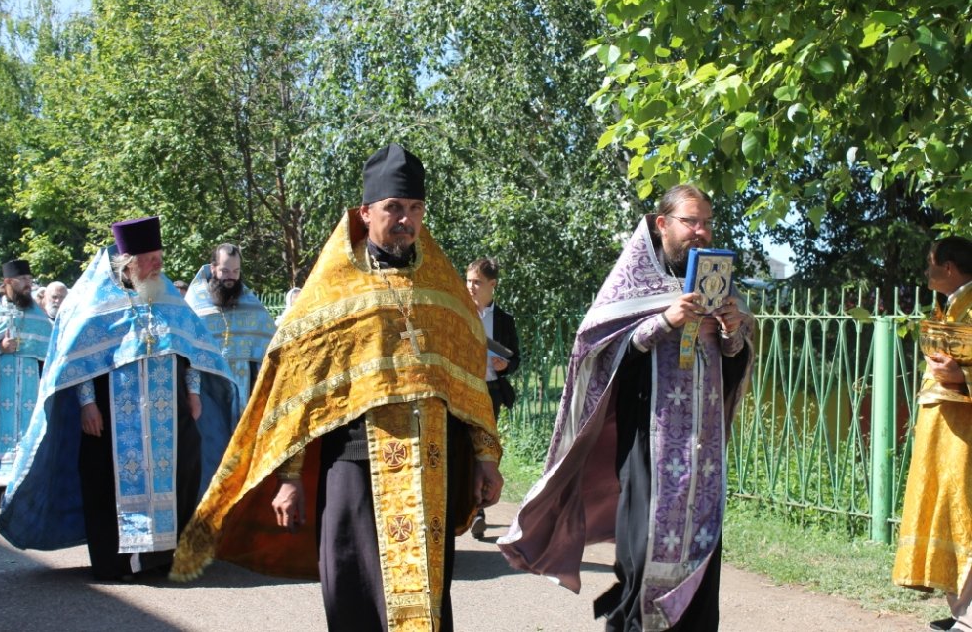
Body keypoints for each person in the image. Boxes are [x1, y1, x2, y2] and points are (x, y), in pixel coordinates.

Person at [170, 143, 503, 632]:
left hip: (432, 465)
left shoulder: (444, 290)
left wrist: (486, 457)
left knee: (428, 598)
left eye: (415, 209)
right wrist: (289, 477)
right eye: (394, 208)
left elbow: (469, 380)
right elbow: (296, 385)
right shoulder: (333, 289)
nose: (406, 220)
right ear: (365, 213)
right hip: (354, 467)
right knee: (355, 592)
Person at [498, 184, 755, 632]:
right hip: (647, 445)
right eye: (690, 221)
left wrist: (734, 332)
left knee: (704, 553)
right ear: (662, 224)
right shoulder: (632, 285)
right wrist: (664, 321)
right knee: (643, 557)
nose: (700, 231)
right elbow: (597, 352)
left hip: (703, 453)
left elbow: (732, 362)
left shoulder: (719, 285)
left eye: (707, 223)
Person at [0, 216, 239, 581]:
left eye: (159, 257)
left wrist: (193, 392)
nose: (158, 264)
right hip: (111, 416)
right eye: (150, 258)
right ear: (128, 263)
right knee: (105, 481)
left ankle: (164, 558)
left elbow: (192, 351)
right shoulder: (93, 304)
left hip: (169, 414)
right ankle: (118, 563)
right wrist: (87, 403)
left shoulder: (169, 300)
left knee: (179, 476)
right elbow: (76, 360)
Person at [893, 236, 972, 632]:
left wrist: (962, 376)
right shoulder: (948, 305)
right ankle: (961, 612)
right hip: (942, 427)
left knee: (965, 516)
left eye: (931, 263)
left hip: (965, 434)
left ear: (949, 267)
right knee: (944, 514)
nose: (927, 270)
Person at [0, 260, 53, 505]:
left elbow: (51, 350)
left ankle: (25, 483)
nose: (29, 284)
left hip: (30, 387)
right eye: (23, 280)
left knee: (30, 432)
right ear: (8, 282)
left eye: (30, 279)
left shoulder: (36, 314)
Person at [185, 243, 275, 416]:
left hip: (242, 386)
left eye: (236, 271)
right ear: (213, 268)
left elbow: (269, 346)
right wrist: (192, 393)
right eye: (225, 271)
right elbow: (188, 351)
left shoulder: (250, 303)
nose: (231, 277)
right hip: (208, 384)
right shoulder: (195, 302)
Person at [466, 257, 520, 540]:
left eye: (477, 282)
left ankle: (479, 510)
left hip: (490, 393)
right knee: (463, 448)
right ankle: (465, 506)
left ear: (492, 285)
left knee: (486, 451)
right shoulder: (458, 312)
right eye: (468, 280)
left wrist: (505, 365)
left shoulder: (504, 320)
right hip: (462, 391)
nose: (470, 286)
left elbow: (515, 358)